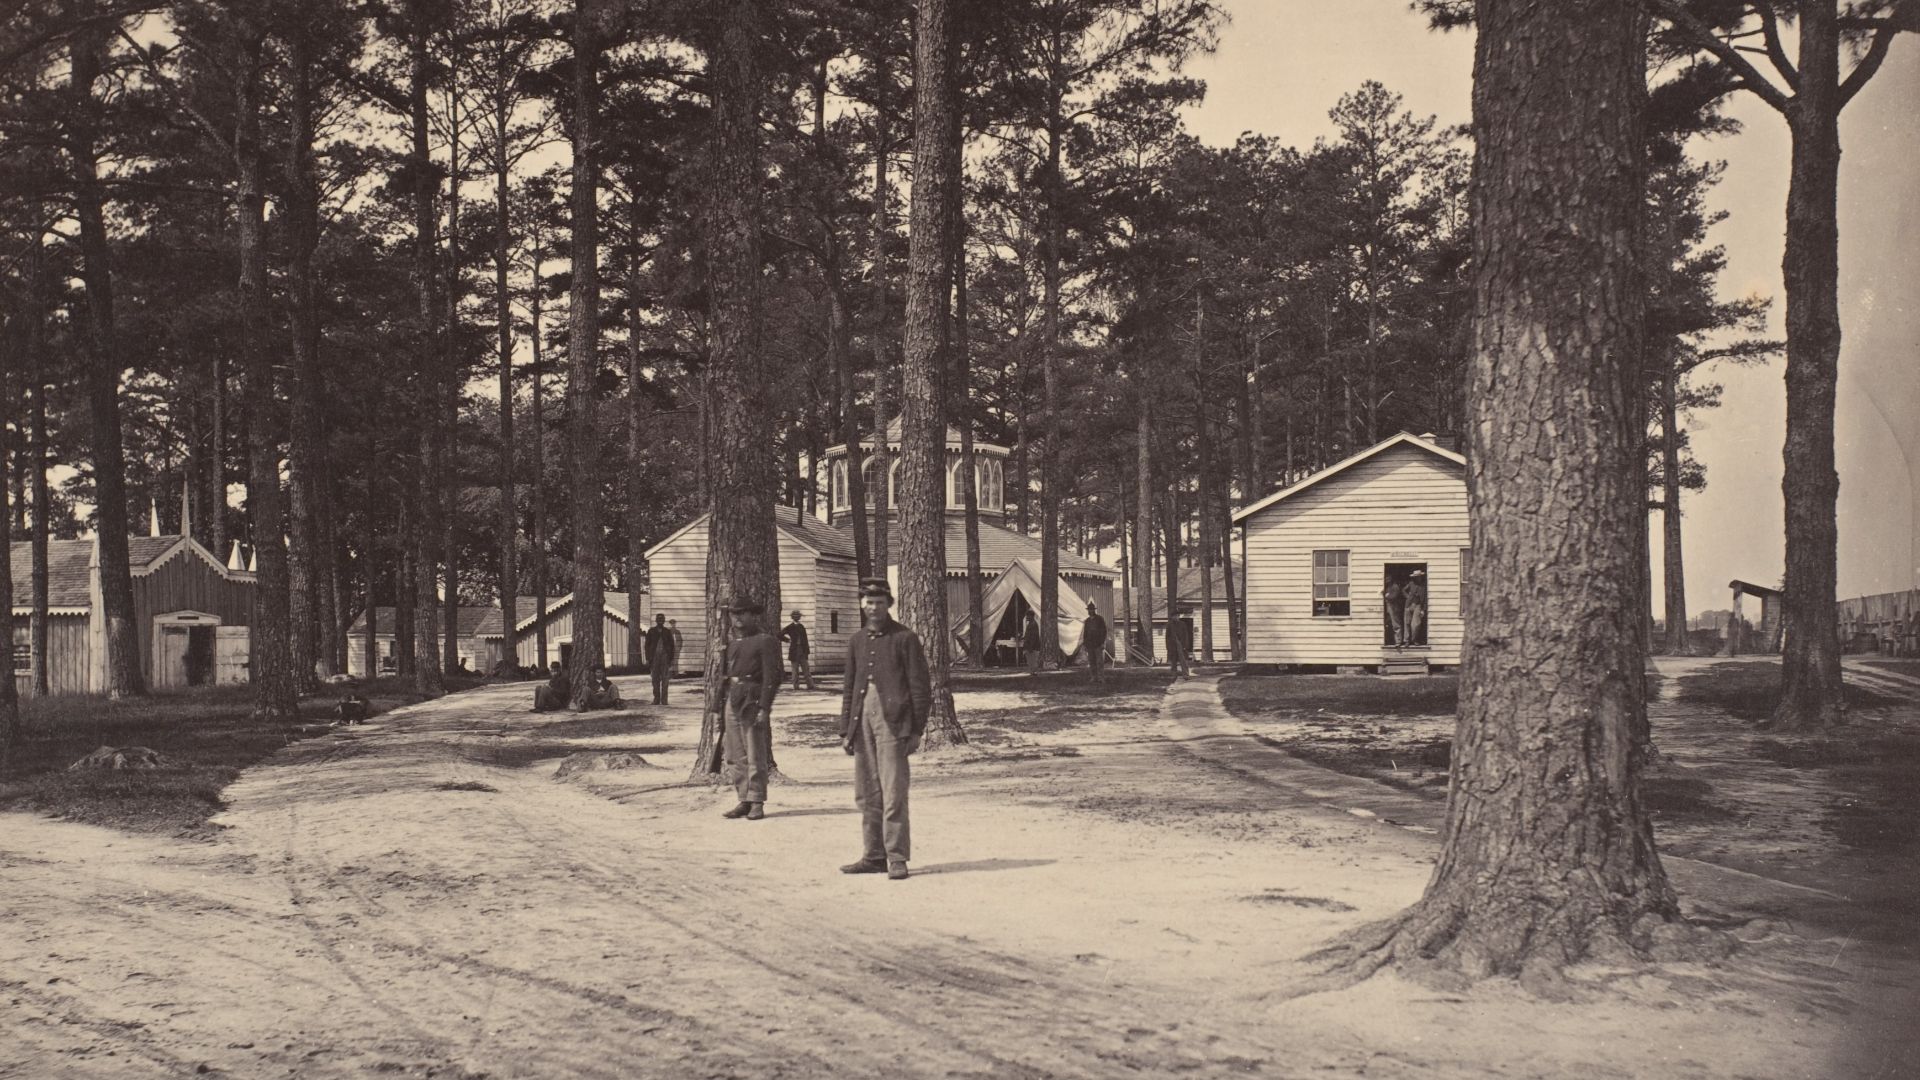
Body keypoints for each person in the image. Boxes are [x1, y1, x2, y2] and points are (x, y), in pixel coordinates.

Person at [839, 578, 930, 881]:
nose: (872, 607)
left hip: (894, 722)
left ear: (889, 604)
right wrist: (845, 730)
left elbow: (920, 687)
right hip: (861, 720)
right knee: (866, 793)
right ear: (861, 604)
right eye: (867, 601)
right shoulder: (856, 641)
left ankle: (896, 857)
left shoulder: (906, 639)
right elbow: (850, 687)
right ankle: (873, 855)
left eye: (878, 602)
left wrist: (916, 730)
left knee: (893, 792)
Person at [718, 597, 781, 821]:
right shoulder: (732, 643)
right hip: (732, 699)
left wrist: (764, 706)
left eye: (743, 613)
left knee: (755, 752)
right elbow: (725, 676)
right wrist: (719, 704)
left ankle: (757, 800)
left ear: (754, 616)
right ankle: (743, 798)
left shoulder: (765, 641)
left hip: (752, 700)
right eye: (734, 614)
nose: (738, 618)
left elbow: (772, 677)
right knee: (734, 754)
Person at [644, 614, 676, 705]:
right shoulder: (651, 631)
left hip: (665, 658)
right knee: (655, 679)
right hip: (654, 658)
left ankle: (664, 700)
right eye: (659, 619)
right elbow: (647, 646)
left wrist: (671, 658)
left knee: (665, 680)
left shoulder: (667, 632)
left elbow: (672, 646)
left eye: (662, 619)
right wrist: (647, 658)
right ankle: (656, 699)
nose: (660, 621)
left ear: (664, 621)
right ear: (656, 621)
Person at [780, 610, 816, 692]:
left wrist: (807, 651)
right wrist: (787, 640)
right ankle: (796, 687)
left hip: (802, 651)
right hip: (794, 651)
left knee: (806, 669)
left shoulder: (801, 627)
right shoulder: (789, 627)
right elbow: (779, 635)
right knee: (795, 671)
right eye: (795, 616)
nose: (797, 617)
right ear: (792, 617)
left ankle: (810, 686)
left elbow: (805, 640)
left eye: (798, 616)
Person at [1082, 602, 1108, 682]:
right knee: (1091, 661)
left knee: (1099, 662)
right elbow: (1085, 633)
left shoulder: (1100, 619)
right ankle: (1093, 677)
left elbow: (1104, 631)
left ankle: (1101, 677)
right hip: (1090, 645)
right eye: (1089, 610)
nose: (1090, 611)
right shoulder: (1087, 621)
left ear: (1094, 610)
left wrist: (1102, 642)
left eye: (1092, 610)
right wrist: (1085, 644)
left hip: (1098, 644)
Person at [1403, 570, 1428, 648]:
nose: (1418, 578)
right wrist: (1408, 596)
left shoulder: (1424, 586)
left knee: (1416, 624)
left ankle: (1414, 640)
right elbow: (1403, 590)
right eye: (1416, 577)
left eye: (1419, 577)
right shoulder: (1411, 583)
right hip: (1408, 605)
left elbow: (1425, 599)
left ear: (1421, 577)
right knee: (1407, 623)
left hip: (1418, 605)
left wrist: (1423, 609)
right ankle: (1406, 641)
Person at [1166, 609, 1192, 677]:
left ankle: (1186, 675)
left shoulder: (1183, 624)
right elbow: (1167, 637)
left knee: (1183, 661)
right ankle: (1173, 675)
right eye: (1175, 616)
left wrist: (1186, 646)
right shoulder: (1169, 625)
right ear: (1172, 617)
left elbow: (1186, 635)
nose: (1176, 617)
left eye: (1178, 616)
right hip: (1173, 645)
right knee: (1173, 661)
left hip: (1181, 645)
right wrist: (1168, 647)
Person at [1384, 576, 1407, 649]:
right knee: (1388, 624)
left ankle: (1398, 641)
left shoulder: (1395, 587)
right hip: (1389, 608)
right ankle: (1392, 640)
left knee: (1396, 624)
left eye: (1388, 579)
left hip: (1394, 608)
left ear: (1391, 580)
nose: (1387, 581)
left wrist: (1386, 596)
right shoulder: (1388, 587)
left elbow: (1394, 596)